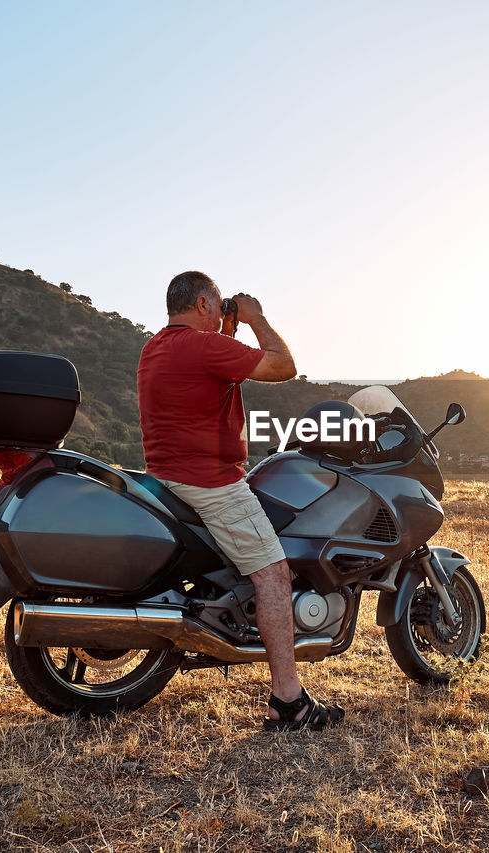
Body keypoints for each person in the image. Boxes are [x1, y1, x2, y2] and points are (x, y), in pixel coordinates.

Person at [137, 270, 344, 731]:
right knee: (274, 574)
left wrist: (226, 333)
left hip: (169, 476)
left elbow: (211, 382)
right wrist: (255, 317)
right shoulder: (204, 346)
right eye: (218, 306)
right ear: (205, 305)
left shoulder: (157, 347)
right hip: (210, 482)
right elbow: (283, 365)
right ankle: (288, 701)